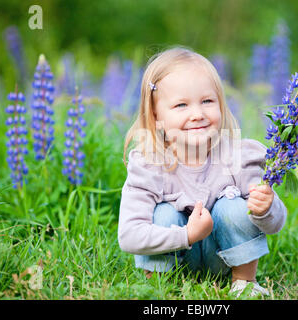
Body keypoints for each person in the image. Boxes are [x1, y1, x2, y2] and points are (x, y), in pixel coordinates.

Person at [118, 46, 288, 298]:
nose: (197, 114)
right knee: (163, 213)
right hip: (174, 261)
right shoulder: (149, 165)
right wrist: (186, 234)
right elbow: (129, 236)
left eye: (207, 101)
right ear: (156, 115)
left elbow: (275, 224)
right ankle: (158, 287)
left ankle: (244, 283)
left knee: (233, 207)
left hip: (223, 261)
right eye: (181, 105)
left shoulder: (237, 157)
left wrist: (266, 209)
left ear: (221, 104)